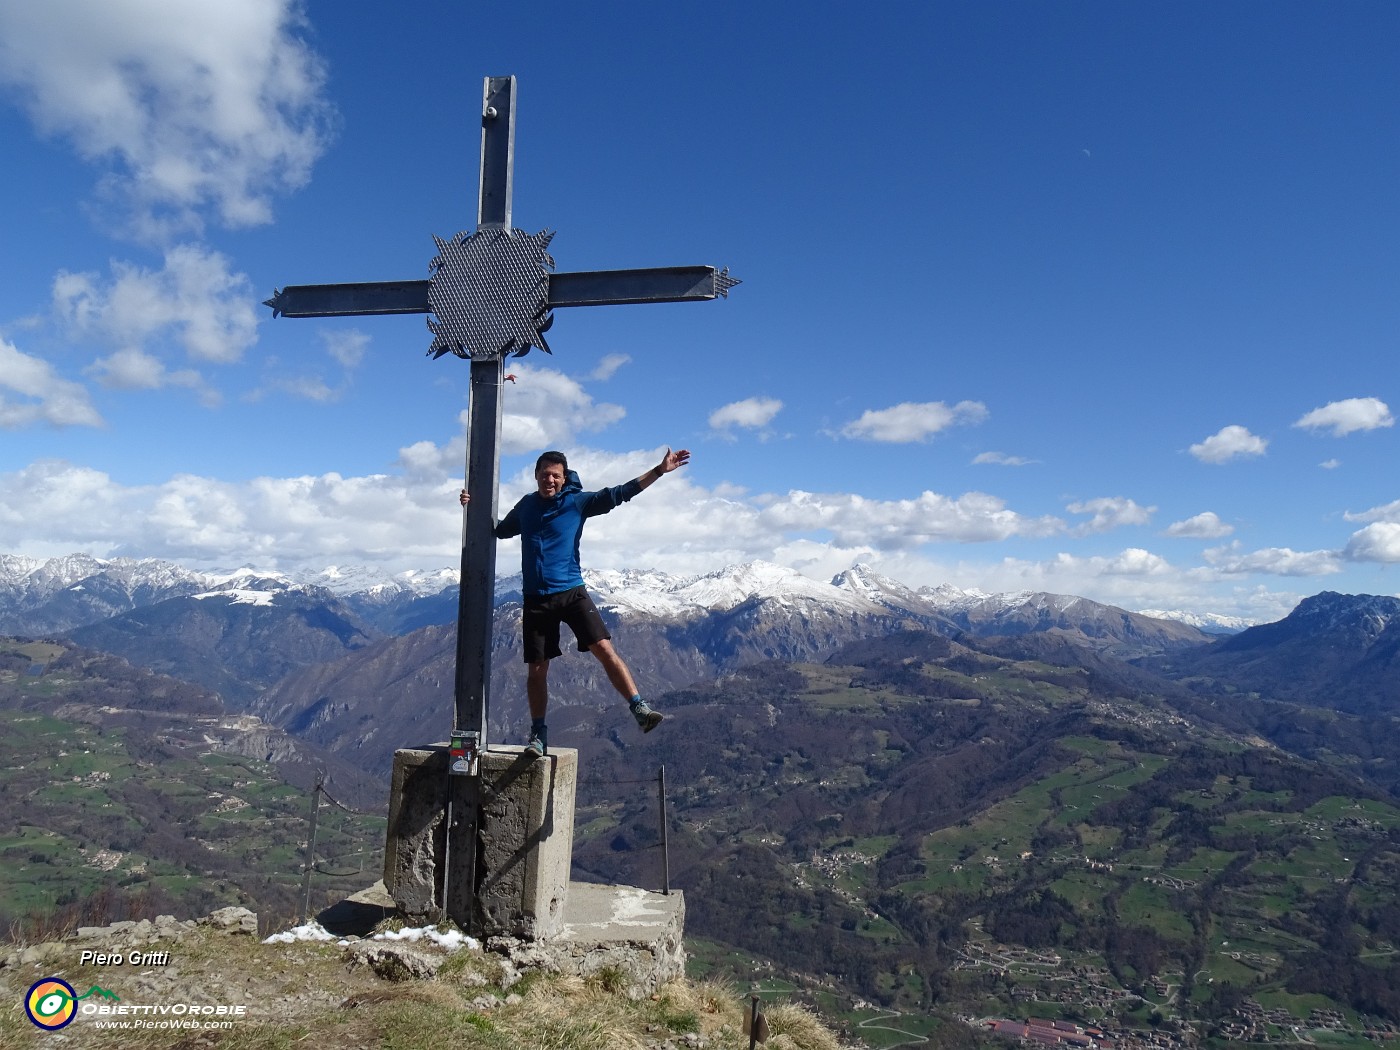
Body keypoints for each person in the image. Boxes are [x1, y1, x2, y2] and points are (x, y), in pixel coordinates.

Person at [460, 446, 690, 757]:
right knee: (537, 669)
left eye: (555, 475)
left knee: (604, 647)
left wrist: (659, 471)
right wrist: (472, 507)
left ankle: (639, 708)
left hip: (571, 591)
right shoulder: (526, 506)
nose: (549, 480)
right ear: (536, 477)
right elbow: (500, 530)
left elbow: (621, 493)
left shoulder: (577, 502)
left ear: (564, 478)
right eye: (544, 475)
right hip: (536, 599)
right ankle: (538, 734)